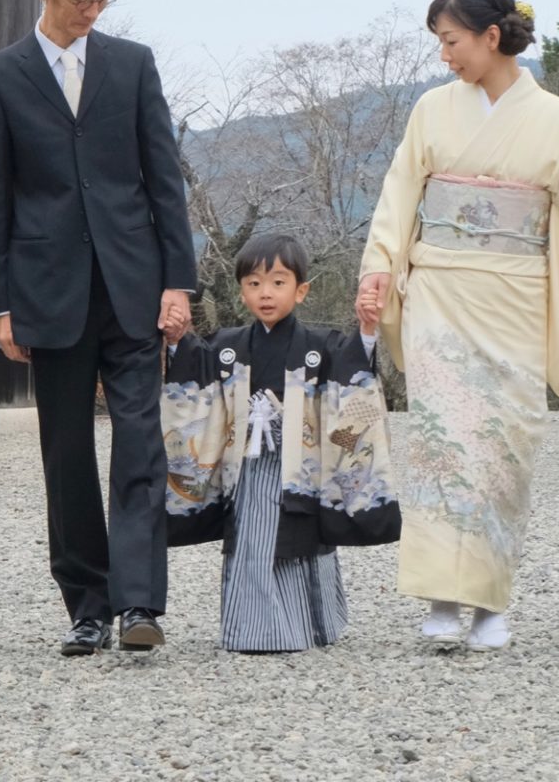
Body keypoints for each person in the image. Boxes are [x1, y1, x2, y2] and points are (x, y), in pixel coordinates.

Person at [357, 0, 559, 651]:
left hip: (516, 295)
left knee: (503, 446)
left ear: (491, 35)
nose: (444, 55)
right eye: (439, 43)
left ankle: (489, 604)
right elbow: (400, 195)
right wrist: (379, 269)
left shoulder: (557, 120)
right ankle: (442, 598)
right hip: (440, 292)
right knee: (440, 440)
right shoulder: (432, 111)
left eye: (451, 41)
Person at [0, 0, 196, 657]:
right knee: (64, 451)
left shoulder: (133, 66)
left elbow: (165, 182)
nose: (91, 11)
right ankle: (86, 606)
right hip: (47, 291)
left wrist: (178, 283)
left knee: (139, 445)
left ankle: (138, 604)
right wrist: (0, 305)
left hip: (132, 287)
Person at [160, 232, 400, 654]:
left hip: (299, 469)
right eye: (253, 284)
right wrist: (178, 340)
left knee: (296, 541)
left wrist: (366, 330)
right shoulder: (227, 347)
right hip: (248, 469)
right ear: (241, 291)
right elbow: (194, 379)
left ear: (301, 290)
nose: (265, 294)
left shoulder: (321, 346)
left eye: (277, 282)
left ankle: (302, 626)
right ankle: (251, 629)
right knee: (253, 542)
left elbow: (352, 387)